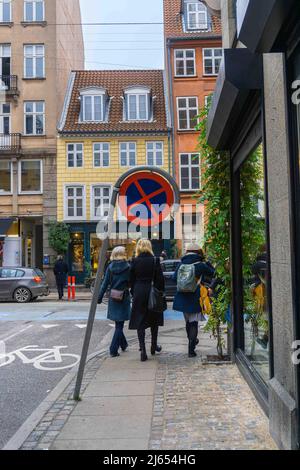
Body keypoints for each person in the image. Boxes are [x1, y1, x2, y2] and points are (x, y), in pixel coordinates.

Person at [173, 244, 215, 358]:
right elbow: (213, 272)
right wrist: (207, 262)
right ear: (198, 252)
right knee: (194, 323)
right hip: (195, 296)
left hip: (182, 296)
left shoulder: (181, 264)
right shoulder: (200, 265)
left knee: (188, 322)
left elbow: (173, 278)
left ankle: (191, 340)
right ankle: (191, 349)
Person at [129, 239, 165, 362]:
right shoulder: (155, 260)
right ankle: (153, 346)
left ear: (138, 247)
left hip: (139, 292)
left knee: (140, 321)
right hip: (152, 292)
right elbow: (160, 279)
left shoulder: (134, 261)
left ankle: (142, 350)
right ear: (150, 247)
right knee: (154, 320)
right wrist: (160, 292)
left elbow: (131, 279)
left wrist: (133, 291)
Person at [98, 246, 130, 358]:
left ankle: (124, 344)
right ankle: (113, 349)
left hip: (113, 297)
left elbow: (105, 283)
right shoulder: (128, 267)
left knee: (118, 323)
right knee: (119, 325)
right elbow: (131, 283)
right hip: (124, 297)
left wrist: (99, 297)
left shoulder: (110, 267)